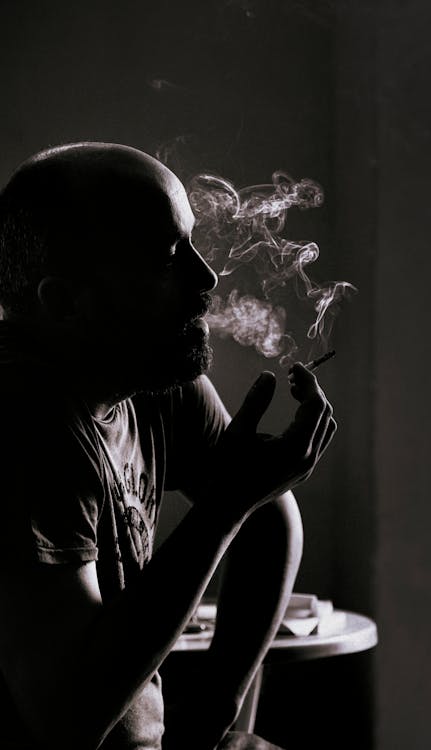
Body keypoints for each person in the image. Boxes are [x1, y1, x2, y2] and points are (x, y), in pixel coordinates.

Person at [0, 142, 336, 750]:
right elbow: (65, 721)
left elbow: (268, 515)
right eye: (166, 257)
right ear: (65, 302)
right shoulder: (24, 420)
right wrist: (226, 504)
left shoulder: (148, 373)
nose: (205, 279)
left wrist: (218, 705)